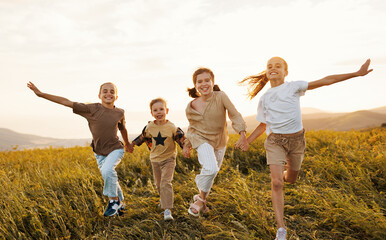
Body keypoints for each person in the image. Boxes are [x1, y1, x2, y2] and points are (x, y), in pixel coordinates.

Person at [237, 57, 373, 240]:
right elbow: (263, 124)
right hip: (275, 141)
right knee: (277, 183)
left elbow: (326, 81)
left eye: (278, 66)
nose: (273, 68)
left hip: (297, 141)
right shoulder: (264, 98)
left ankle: (287, 171)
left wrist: (356, 74)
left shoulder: (294, 87)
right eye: (269, 66)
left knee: (291, 179)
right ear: (267, 72)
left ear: (286, 72)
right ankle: (281, 230)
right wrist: (248, 141)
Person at [27, 81, 133, 217]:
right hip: (99, 153)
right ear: (99, 95)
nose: (108, 93)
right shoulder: (91, 109)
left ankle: (113, 201)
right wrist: (41, 94)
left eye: (112, 92)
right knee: (109, 176)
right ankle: (121, 203)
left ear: (116, 97)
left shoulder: (120, 112)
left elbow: (122, 128)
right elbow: (66, 102)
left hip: (116, 149)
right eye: (105, 91)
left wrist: (127, 143)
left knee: (108, 171)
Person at [182, 67, 248, 217]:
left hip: (219, 140)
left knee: (212, 172)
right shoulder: (191, 106)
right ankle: (199, 201)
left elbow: (235, 115)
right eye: (200, 81)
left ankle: (202, 200)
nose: (204, 84)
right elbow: (192, 128)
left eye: (207, 80)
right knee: (211, 169)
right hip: (201, 140)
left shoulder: (220, 96)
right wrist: (187, 144)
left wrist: (242, 134)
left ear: (213, 82)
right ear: (195, 85)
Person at [131, 98, 185, 221]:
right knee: (158, 184)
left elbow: (180, 138)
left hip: (169, 158)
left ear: (167, 110)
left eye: (161, 109)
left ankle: (167, 210)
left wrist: (186, 147)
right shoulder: (150, 127)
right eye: (155, 110)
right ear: (151, 113)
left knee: (166, 182)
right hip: (155, 159)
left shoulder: (171, 127)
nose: (159, 112)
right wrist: (132, 144)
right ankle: (164, 201)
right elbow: (143, 137)